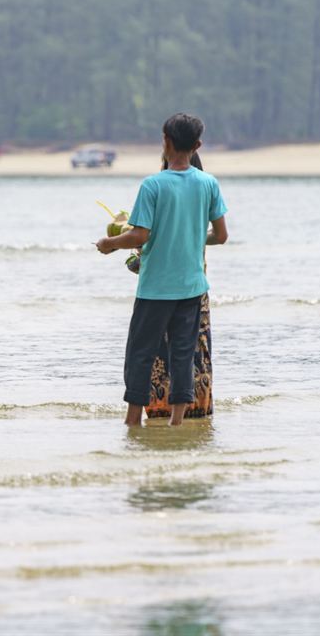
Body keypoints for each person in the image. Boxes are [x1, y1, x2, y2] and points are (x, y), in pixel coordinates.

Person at [96, 113, 228, 427]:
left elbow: (140, 235)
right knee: (182, 354)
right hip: (192, 287)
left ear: (165, 142)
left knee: (141, 353)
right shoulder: (209, 183)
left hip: (155, 287)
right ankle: (177, 422)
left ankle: (132, 420)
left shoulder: (153, 185)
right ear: (197, 145)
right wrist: (194, 236)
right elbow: (220, 236)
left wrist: (109, 243)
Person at [145, 152, 214, 419]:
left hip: (161, 293)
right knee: (195, 352)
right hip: (196, 291)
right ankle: (195, 410)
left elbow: (148, 243)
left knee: (160, 353)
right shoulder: (201, 198)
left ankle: (161, 413)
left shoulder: (160, 193)